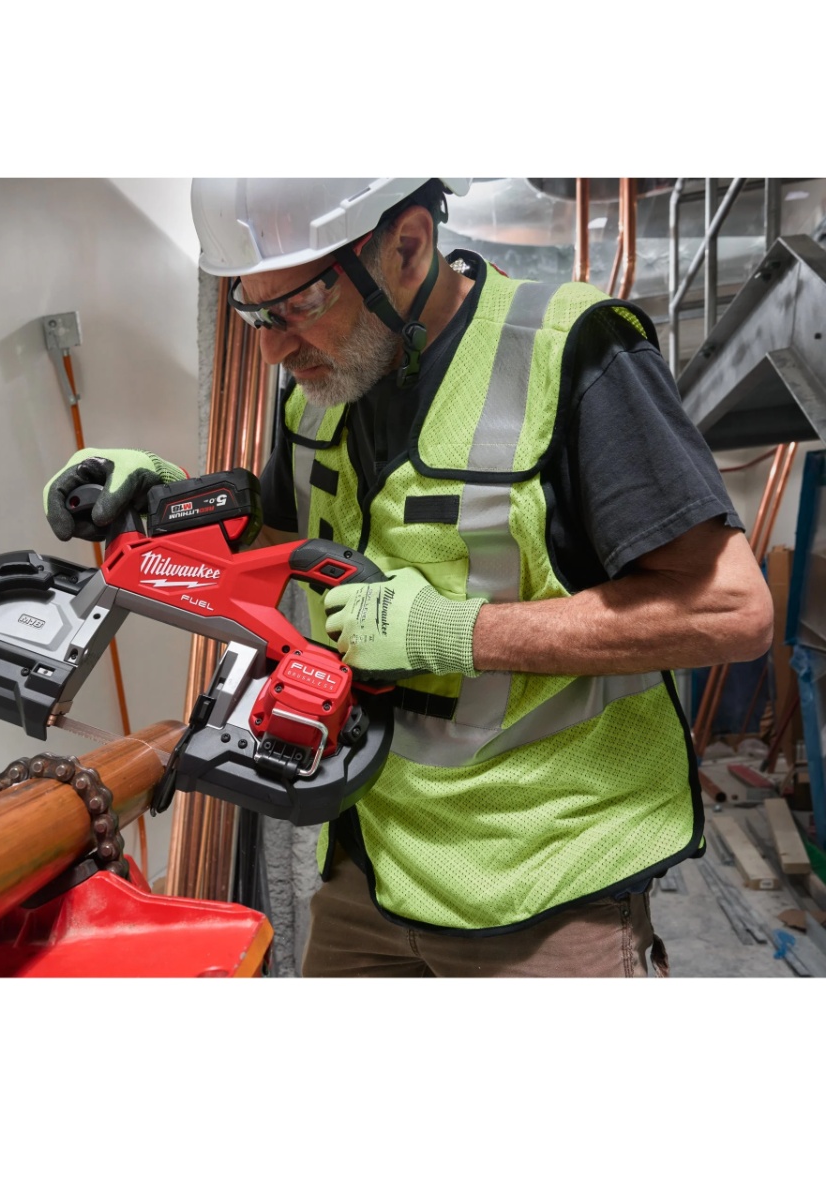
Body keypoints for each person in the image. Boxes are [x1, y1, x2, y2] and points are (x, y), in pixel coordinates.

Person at [44, 177, 773, 978]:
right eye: (255, 314)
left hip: (550, 878)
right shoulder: (323, 390)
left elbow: (732, 610)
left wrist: (451, 632)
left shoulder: (571, 352)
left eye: (299, 304)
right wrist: (163, 505)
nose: (273, 349)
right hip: (371, 862)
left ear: (409, 244)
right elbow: (283, 540)